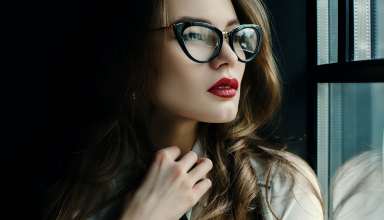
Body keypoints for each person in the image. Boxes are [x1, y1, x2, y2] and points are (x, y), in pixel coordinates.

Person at [43, 0, 324, 219]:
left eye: (235, 35)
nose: (229, 57)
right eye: (197, 35)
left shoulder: (280, 187)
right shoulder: (82, 189)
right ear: (136, 53)